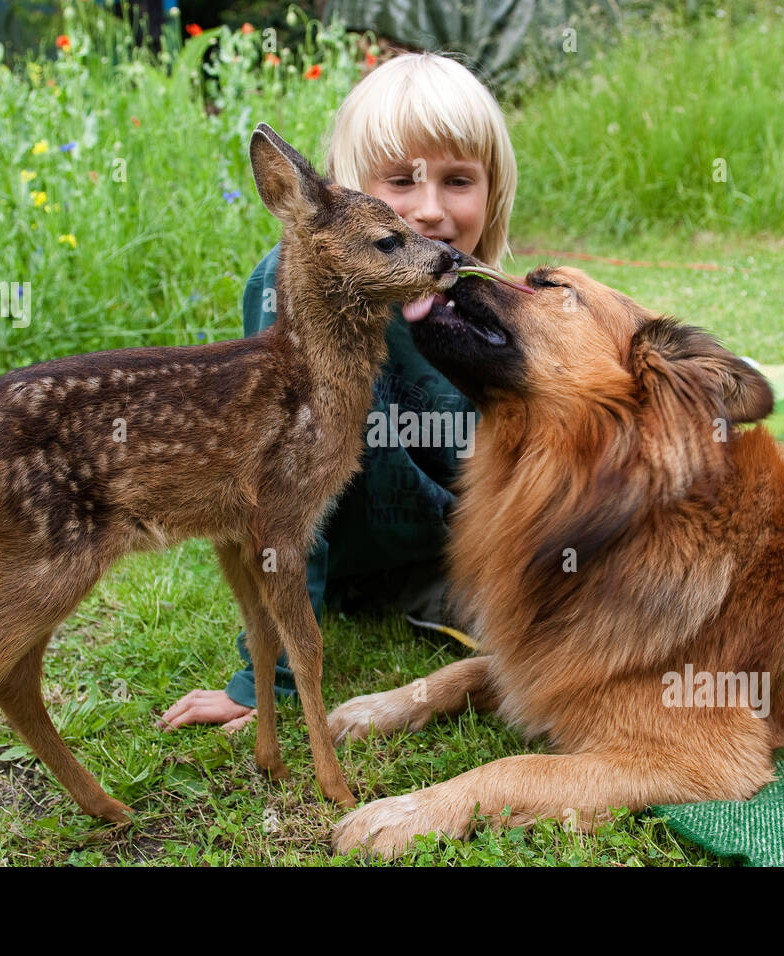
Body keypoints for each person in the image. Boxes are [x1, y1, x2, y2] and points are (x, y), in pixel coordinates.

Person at [159, 51, 517, 732]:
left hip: (450, 543)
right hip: (341, 548)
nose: (432, 210)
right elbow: (280, 489)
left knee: (582, 612)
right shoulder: (294, 291)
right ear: (347, 194)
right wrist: (268, 682)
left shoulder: (479, 295)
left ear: (493, 193)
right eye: (402, 180)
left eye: (460, 180)